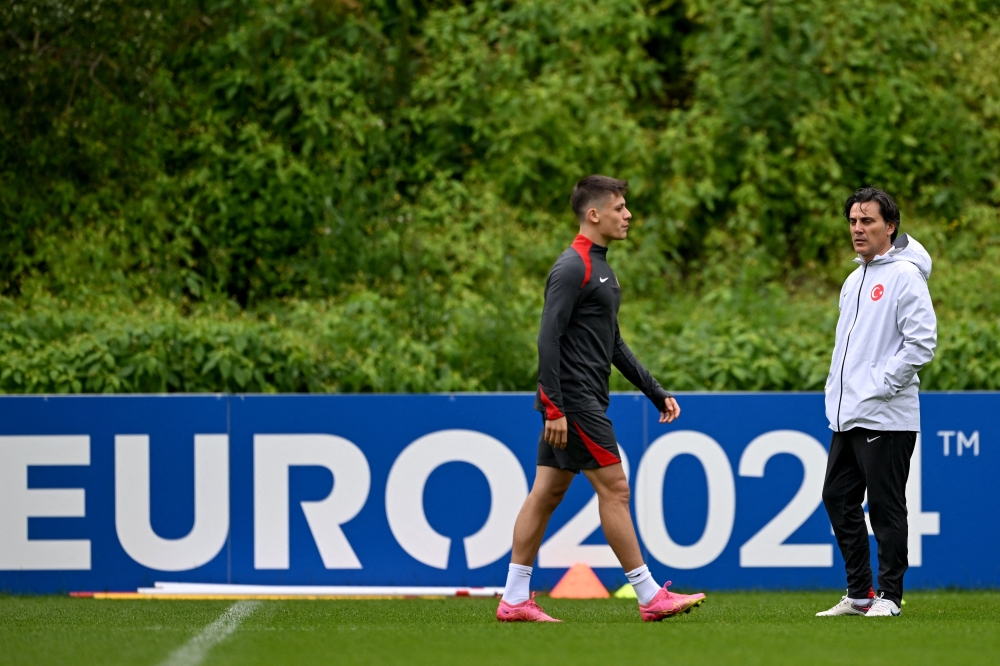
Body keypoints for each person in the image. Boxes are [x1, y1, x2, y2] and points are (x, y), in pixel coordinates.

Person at [496, 175, 706, 623]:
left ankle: (514, 599)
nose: (627, 215)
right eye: (619, 207)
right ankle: (649, 595)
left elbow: (613, 345)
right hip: (574, 403)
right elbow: (547, 337)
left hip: (578, 400)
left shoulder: (601, 267)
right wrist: (554, 406)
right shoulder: (574, 266)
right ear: (594, 214)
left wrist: (654, 391)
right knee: (616, 488)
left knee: (546, 493)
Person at [817, 187, 937, 618]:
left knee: (887, 508)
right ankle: (859, 593)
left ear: (890, 226)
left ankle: (889, 596)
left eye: (867, 221)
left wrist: (881, 385)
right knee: (837, 498)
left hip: (887, 415)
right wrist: (842, 394)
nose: (857, 229)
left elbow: (922, 343)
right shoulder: (855, 279)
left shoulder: (905, 275)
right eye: (852, 221)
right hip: (848, 415)